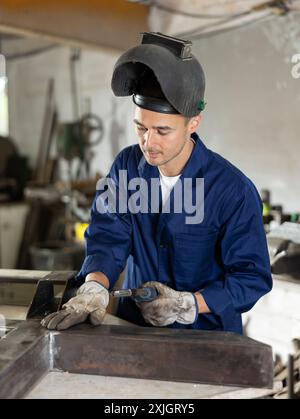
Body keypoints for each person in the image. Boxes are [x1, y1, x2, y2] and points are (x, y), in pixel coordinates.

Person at [42, 32, 272, 334]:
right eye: (141, 127)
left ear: (193, 123)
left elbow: (251, 278)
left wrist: (188, 304)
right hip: (135, 330)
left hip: (206, 341)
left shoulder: (233, 191)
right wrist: (94, 288)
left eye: (162, 131)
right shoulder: (126, 167)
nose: (148, 142)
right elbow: (109, 238)